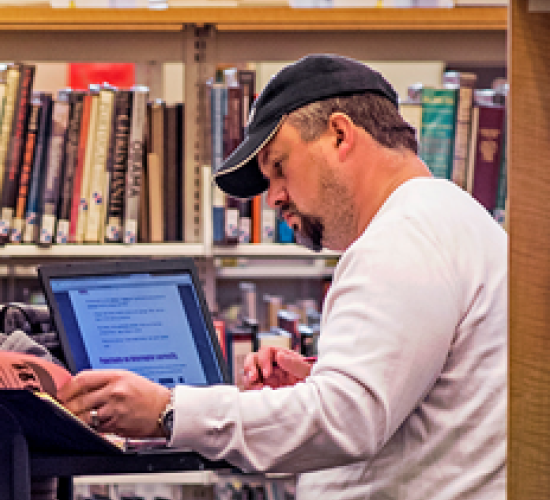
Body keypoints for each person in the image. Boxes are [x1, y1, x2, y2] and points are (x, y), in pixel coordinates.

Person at [58, 54, 507, 500]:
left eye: (279, 166)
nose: (274, 197)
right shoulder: (451, 218)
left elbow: (347, 420)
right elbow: (426, 399)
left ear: (339, 135)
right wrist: (320, 380)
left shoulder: (401, 239)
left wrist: (170, 410)